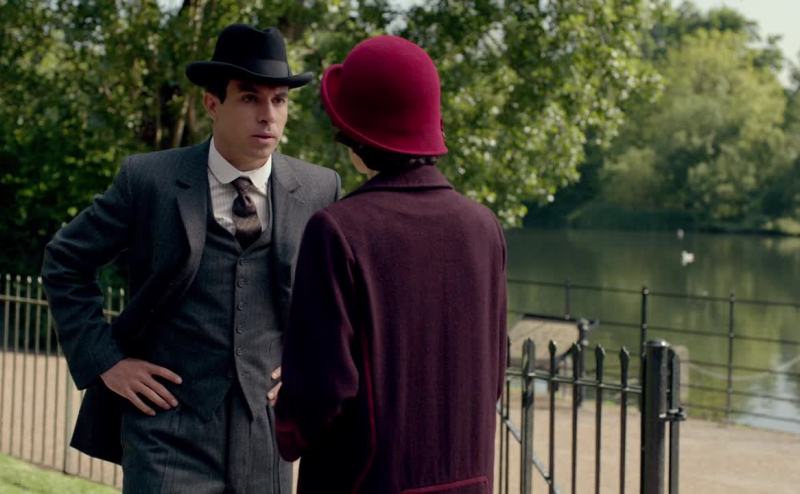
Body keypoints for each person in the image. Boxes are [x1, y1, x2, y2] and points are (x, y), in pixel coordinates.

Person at [41, 24, 340, 493]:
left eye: (279, 100)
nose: (268, 115)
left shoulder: (320, 188)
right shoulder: (150, 180)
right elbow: (64, 262)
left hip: (265, 432)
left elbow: (340, 298)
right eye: (249, 98)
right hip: (166, 432)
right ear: (212, 103)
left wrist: (312, 362)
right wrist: (106, 361)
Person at [275, 35, 507, 494]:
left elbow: (325, 387)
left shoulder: (338, 230)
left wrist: (288, 427)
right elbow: (493, 373)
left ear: (354, 133)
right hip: (467, 480)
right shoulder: (484, 226)